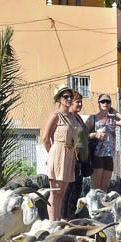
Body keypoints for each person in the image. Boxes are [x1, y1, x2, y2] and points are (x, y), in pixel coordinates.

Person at [41, 85, 83, 221]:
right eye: (66, 96)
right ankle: (53, 222)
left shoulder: (72, 117)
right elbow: (45, 138)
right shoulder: (55, 116)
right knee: (56, 193)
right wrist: (52, 154)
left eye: (70, 96)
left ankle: (58, 220)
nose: (69, 99)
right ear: (59, 99)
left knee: (63, 193)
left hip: (70, 154)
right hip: (58, 152)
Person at [86, 93, 121, 191]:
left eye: (108, 101)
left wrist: (115, 112)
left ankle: (102, 205)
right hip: (97, 155)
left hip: (109, 155)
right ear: (99, 104)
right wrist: (95, 135)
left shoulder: (112, 119)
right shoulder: (93, 118)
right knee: (96, 188)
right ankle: (94, 206)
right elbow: (83, 135)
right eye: (102, 101)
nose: (105, 103)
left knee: (105, 187)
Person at [62, 91, 88, 219]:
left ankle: (71, 216)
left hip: (81, 159)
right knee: (70, 190)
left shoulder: (77, 117)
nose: (80, 104)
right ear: (71, 103)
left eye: (81, 102)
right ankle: (65, 217)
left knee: (77, 188)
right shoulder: (69, 118)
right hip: (73, 159)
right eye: (77, 101)